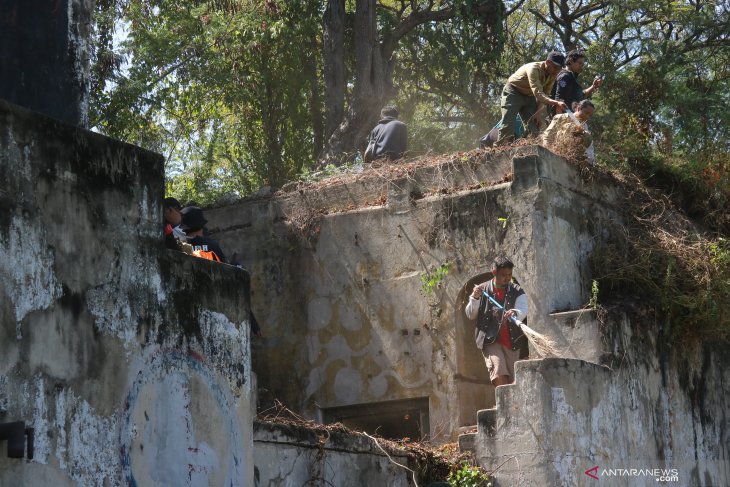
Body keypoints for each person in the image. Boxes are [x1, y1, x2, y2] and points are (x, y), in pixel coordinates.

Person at [464, 256, 529, 386]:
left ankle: (510, 405)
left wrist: (515, 312)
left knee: (513, 380)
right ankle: (504, 404)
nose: (507, 278)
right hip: (489, 340)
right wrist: (475, 298)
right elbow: (470, 314)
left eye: (510, 274)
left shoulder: (517, 290)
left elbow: (523, 309)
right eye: (503, 274)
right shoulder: (482, 290)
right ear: (494, 272)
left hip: (512, 341)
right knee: (499, 372)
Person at [495, 51, 568, 146]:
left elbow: (546, 93)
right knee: (508, 124)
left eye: (559, 69)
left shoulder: (552, 74)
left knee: (534, 128)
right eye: (555, 67)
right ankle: (500, 148)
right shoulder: (533, 69)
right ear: (548, 62)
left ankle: (526, 149)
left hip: (529, 97)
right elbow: (538, 93)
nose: (556, 71)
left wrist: (538, 112)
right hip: (513, 92)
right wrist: (556, 103)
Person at [540, 99, 596, 164]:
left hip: (571, 157)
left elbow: (589, 149)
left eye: (590, 115)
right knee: (569, 127)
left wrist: (590, 162)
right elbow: (547, 135)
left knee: (587, 136)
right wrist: (548, 151)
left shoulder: (584, 126)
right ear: (578, 108)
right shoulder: (561, 117)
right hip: (555, 150)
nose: (587, 117)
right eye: (586, 113)